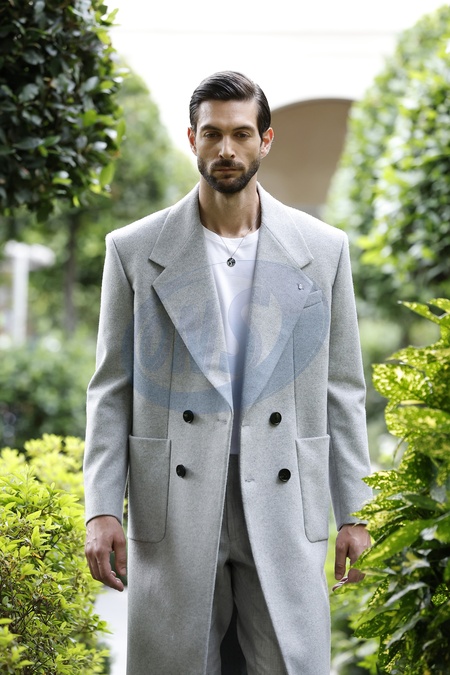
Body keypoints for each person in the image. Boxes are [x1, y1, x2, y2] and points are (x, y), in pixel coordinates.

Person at [84, 70, 372, 675]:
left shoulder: (323, 249)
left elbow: (342, 390)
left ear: (266, 140)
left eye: (241, 133)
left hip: (285, 493)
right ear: (192, 138)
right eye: (212, 133)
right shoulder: (133, 250)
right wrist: (102, 507)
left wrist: (355, 511)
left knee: (288, 663)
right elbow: (111, 390)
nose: (226, 149)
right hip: (176, 500)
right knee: (176, 663)